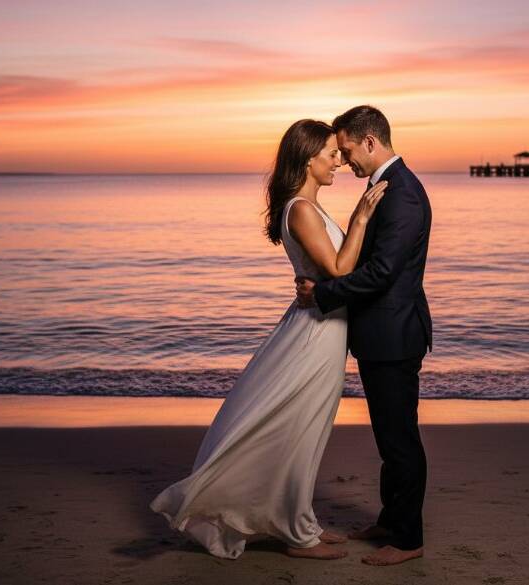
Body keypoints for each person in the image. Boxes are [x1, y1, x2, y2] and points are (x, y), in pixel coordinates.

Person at [149, 119, 387, 560]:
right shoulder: (300, 209)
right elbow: (337, 271)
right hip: (315, 335)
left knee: (306, 429)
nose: (339, 160)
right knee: (298, 427)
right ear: (308, 158)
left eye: (339, 152)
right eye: (331, 153)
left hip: (326, 330)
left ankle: (301, 522)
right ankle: (297, 535)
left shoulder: (308, 207)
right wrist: (361, 218)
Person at [295, 105, 433, 567]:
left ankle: (408, 538)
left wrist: (324, 292)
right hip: (380, 333)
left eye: (349, 150)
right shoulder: (386, 189)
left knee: (400, 439)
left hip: (394, 336)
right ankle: (390, 520)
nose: (346, 161)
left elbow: (382, 272)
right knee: (387, 436)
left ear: (370, 142)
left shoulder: (404, 195)